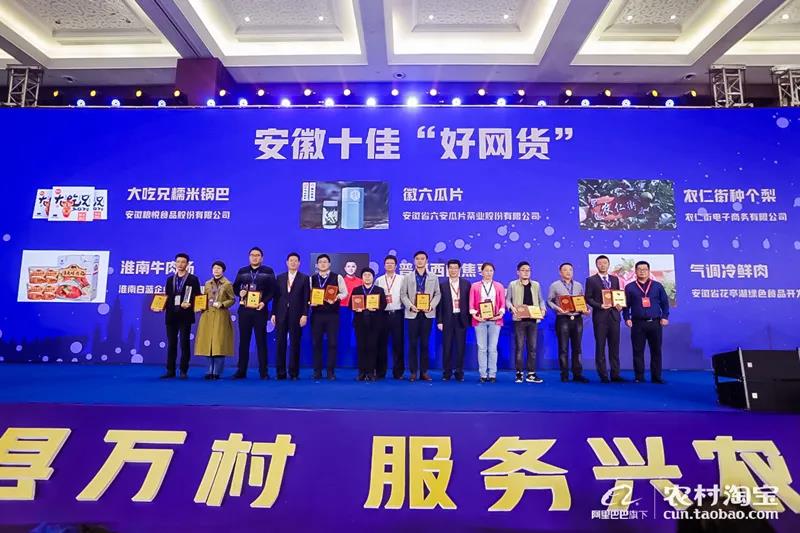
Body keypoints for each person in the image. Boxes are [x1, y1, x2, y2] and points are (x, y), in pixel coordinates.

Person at [232, 247, 276, 380]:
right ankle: (241, 371)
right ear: (249, 257)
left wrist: (264, 302)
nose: (255, 257)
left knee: (261, 341)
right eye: (252, 255)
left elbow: (273, 290)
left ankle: (263, 372)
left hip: (260, 310)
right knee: (244, 341)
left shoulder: (268, 271)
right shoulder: (242, 271)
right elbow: (235, 287)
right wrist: (239, 293)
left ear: (262, 258)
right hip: (244, 310)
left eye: (257, 255)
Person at [623, 260, 670, 384]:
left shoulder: (657, 286)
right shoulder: (629, 287)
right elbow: (625, 305)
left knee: (656, 351)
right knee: (637, 351)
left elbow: (665, 303)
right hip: (637, 323)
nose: (642, 271)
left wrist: (665, 316)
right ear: (635, 271)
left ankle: (656, 377)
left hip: (655, 323)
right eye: (639, 269)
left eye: (645, 269)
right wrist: (626, 318)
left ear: (649, 271)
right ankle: (639, 376)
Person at [400, 251, 441, 382]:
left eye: (422, 259)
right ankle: (413, 372)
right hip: (412, 314)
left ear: (426, 261)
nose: (420, 261)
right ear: (414, 261)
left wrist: (431, 306)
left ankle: (424, 372)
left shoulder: (433, 277)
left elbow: (438, 294)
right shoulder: (407, 277)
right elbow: (403, 294)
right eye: (417, 259)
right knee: (412, 344)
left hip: (427, 314)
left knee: (424, 344)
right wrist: (410, 306)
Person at [160, 252, 201, 379]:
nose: (180, 264)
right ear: (175, 263)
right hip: (171, 316)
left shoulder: (193, 279)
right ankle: (170, 370)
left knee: (184, 343)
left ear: (187, 264)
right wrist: (160, 306)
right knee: (171, 343)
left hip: (185, 316)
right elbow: (167, 297)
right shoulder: (170, 279)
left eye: (183, 262)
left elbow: (198, 297)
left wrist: (190, 303)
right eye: (178, 262)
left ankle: (183, 370)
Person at [585, 255, 625, 383]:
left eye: (605, 263)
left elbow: (618, 296)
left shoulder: (615, 279)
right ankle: (603, 375)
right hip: (600, 317)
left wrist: (620, 305)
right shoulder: (591, 280)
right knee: (600, 346)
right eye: (600, 263)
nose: (602, 265)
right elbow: (588, 298)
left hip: (614, 317)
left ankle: (615, 374)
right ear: (596, 265)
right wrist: (600, 305)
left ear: (608, 264)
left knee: (614, 347)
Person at [548, 262, 590, 383]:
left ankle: (577, 374)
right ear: (560, 272)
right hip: (563, 319)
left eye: (570, 270)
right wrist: (558, 308)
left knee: (577, 348)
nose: (568, 272)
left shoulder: (578, 285)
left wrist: (586, 310)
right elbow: (549, 301)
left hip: (577, 319)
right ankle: (564, 374)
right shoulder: (555, 285)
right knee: (563, 348)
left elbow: (582, 301)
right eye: (565, 270)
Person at [506, 261, 547, 384]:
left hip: (533, 320)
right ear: (518, 272)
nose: (526, 272)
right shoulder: (513, 284)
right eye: (523, 270)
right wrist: (511, 308)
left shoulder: (536, 285)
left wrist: (543, 309)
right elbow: (508, 300)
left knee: (532, 348)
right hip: (519, 320)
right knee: (519, 347)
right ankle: (519, 373)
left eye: (528, 270)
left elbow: (541, 300)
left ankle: (531, 374)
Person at [271, 252, 310, 380]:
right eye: (291, 260)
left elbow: (306, 298)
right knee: (280, 343)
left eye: (295, 261)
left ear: (299, 263)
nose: (293, 263)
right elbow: (276, 298)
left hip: (297, 315)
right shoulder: (280, 277)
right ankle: (280, 373)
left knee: (295, 344)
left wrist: (305, 314)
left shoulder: (304, 278)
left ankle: (293, 373)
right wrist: (273, 313)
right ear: (287, 263)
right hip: (281, 314)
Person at [309, 254, 348, 380]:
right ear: (316, 265)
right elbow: (307, 295)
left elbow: (345, 292)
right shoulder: (312, 278)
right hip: (317, 315)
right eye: (320, 262)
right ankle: (317, 371)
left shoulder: (337, 277)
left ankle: (330, 372)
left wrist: (337, 297)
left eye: (325, 262)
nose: (323, 264)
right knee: (316, 343)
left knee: (332, 343)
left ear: (329, 264)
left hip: (332, 315)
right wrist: (310, 302)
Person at [194, 261, 235, 380]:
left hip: (220, 315)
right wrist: (200, 306)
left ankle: (217, 371)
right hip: (207, 316)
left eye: (219, 268)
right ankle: (209, 370)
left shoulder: (227, 284)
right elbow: (203, 298)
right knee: (207, 344)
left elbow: (232, 299)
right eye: (214, 268)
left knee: (219, 344)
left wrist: (222, 304)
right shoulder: (207, 283)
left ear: (223, 270)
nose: (216, 270)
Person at [470, 262, 506, 383]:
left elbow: (502, 303)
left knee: (492, 348)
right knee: (482, 348)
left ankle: (492, 374)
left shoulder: (499, 286)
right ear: (481, 272)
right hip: (479, 320)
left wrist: (500, 313)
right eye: (486, 270)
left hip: (495, 320)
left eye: (491, 271)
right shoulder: (475, 286)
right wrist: (475, 315)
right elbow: (471, 303)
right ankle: (483, 374)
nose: (489, 273)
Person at [436, 259, 470, 381]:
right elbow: (439, 305)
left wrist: (470, 320)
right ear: (448, 269)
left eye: (455, 268)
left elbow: (470, 302)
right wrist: (439, 321)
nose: (453, 270)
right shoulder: (442, 285)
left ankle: (459, 372)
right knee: (447, 347)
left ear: (459, 269)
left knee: (460, 347)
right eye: (451, 268)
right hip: (447, 319)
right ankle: (447, 372)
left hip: (461, 319)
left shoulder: (466, 284)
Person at [350, 267, 387, 381]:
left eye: (369, 275)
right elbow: (350, 305)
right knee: (361, 347)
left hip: (375, 323)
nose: (367, 277)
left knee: (372, 347)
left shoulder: (379, 290)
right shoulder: (356, 290)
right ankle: (362, 372)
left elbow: (384, 304)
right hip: (360, 322)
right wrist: (356, 309)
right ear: (362, 277)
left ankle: (371, 372)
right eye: (365, 275)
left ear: (373, 277)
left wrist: (376, 308)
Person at [375, 255, 405, 379]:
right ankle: (380, 372)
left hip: (397, 314)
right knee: (381, 344)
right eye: (387, 263)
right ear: (384, 265)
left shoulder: (402, 279)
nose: (389, 265)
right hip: (382, 315)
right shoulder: (379, 280)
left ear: (396, 266)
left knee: (398, 344)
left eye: (392, 263)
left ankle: (398, 373)